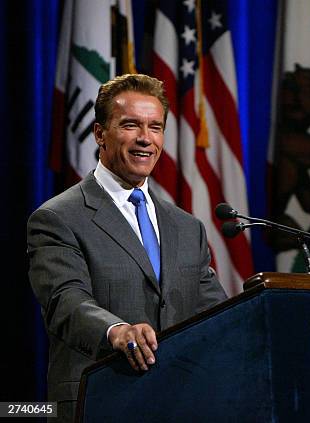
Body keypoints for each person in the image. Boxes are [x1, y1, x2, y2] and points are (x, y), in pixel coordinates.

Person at [27, 74, 227, 422]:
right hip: (99, 403)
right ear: (100, 134)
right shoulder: (58, 218)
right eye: (131, 125)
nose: (145, 139)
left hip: (180, 406)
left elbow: (217, 314)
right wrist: (116, 331)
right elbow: (65, 300)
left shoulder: (186, 227)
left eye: (155, 126)